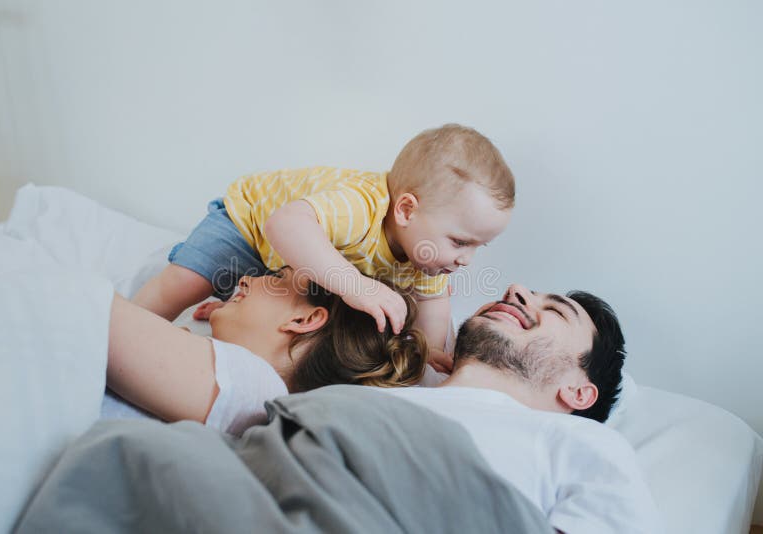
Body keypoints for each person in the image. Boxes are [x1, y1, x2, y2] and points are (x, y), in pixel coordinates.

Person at [132, 124, 515, 372]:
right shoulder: (361, 206)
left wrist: (430, 351)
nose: (465, 259)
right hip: (250, 225)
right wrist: (357, 285)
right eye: (460, 242)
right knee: (188, 282)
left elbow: (433, 306)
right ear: (406, 210)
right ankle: (127, 323)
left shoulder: (427, 262)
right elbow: (283, 226)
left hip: (289, 268)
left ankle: (236, 305)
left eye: (478, 247)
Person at [380, 283, 663, 533]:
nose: (514, 289)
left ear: (578, 392)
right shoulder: (370, 396)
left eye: (556, 311)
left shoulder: (582, 443)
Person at [105, 266, 427, 436]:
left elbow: (89, 312)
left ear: (304, 319)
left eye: (276, 277)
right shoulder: (249, 390)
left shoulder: (253, 384)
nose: (245, 279)